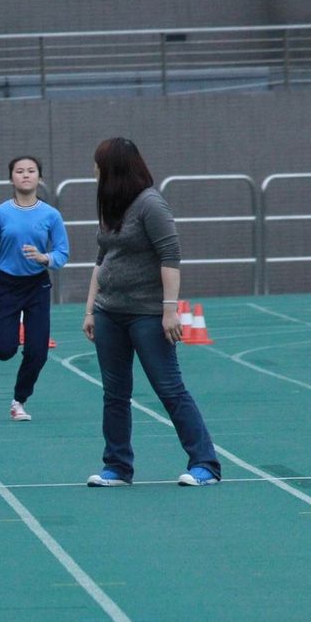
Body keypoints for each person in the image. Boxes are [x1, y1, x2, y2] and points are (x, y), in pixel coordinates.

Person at [81, 137, 220, 487]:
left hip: (146, 314)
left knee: (169, 388)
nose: (94, 170)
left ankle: (205, 464)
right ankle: (117, 467)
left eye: (98, 164)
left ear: (114, 168)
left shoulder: (150, 204)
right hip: (109, 313)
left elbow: (170, 257)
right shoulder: (111, 205)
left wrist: (169, 310)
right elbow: (102, 260)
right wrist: (90, 309)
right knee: (114, 393)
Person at [0, 155, 70, 422]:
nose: (26, 175)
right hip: (6, 284)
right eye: (19, 171)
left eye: (31, 171)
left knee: (38, 351)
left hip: (37, 285)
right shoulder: (0, 213)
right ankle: (7, 330)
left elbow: (62, 251)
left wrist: (45, 258)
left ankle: (19, 400)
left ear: (40, 178)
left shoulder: (51, 215)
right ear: (11, 178)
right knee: (3, 350)